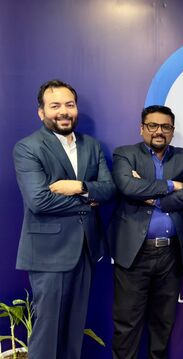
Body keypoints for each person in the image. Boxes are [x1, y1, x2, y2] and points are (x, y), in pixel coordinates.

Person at [12, 79, 116, 359]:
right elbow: (39, 201)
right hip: (48, 254)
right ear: (41, 112)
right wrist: (87, 199)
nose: (63, 111)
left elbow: (108, 189)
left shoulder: (92, 146)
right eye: (55, 105)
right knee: (47, 334)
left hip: (85, 250)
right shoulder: (28, 148)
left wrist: (79, 186)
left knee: (73, 332)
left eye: (69, 105)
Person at [108, 105, 183, 359]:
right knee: (126, 325)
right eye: (152, 126)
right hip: (134, 254)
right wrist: (172, 185)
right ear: (142, 128)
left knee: (163, 325)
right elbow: (127, 186)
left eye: (165, 127)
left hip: (171, 254)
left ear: (172, 131)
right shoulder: (125, 154)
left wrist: (154, 197)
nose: (159, 131)